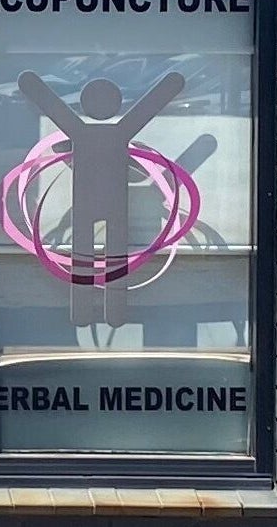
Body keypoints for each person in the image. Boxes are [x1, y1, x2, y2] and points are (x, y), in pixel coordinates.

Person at [16, 69, 185, 337]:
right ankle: (108, 312)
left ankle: (88, 312)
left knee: (86, 256)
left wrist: (31, 85)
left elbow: (44, 99)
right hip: (112, 200)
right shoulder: (120, 131)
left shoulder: (79, 130)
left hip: (88, 199)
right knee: (111, 257)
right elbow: (154, 102)